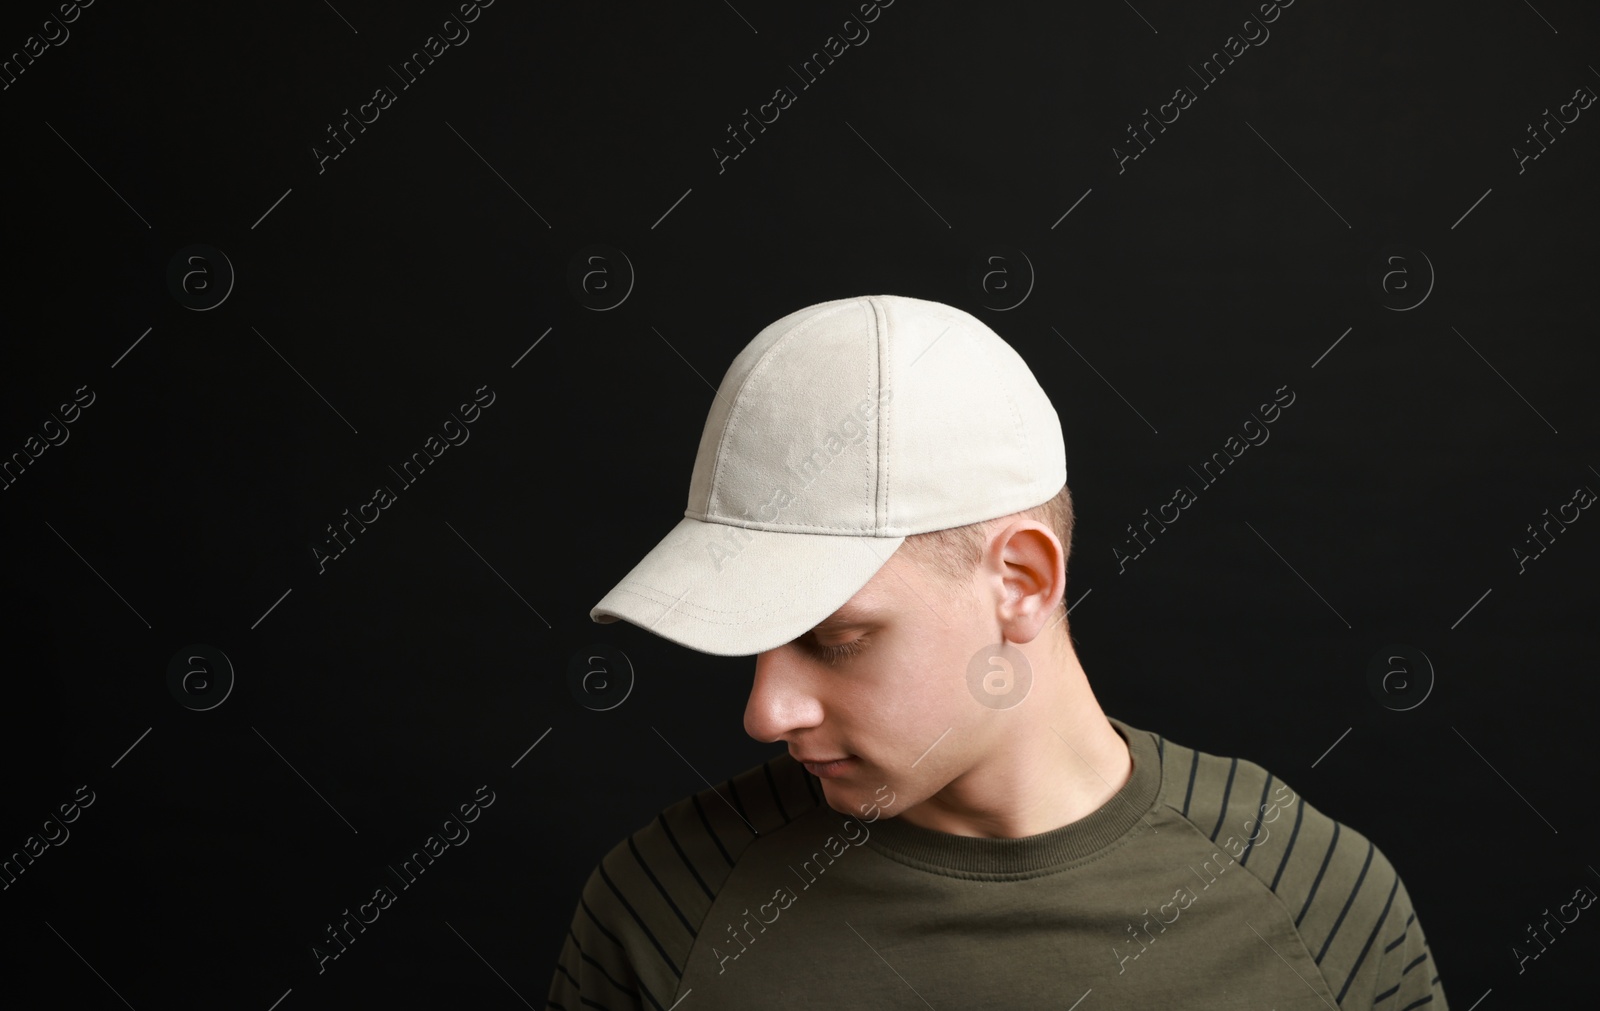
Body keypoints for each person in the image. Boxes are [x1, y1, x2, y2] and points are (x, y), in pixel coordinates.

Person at [546, 294, 1447, 1010]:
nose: (765, 711)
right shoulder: (662, 910)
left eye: (835, 638)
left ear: (1020, 581)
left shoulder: (1316, 902)